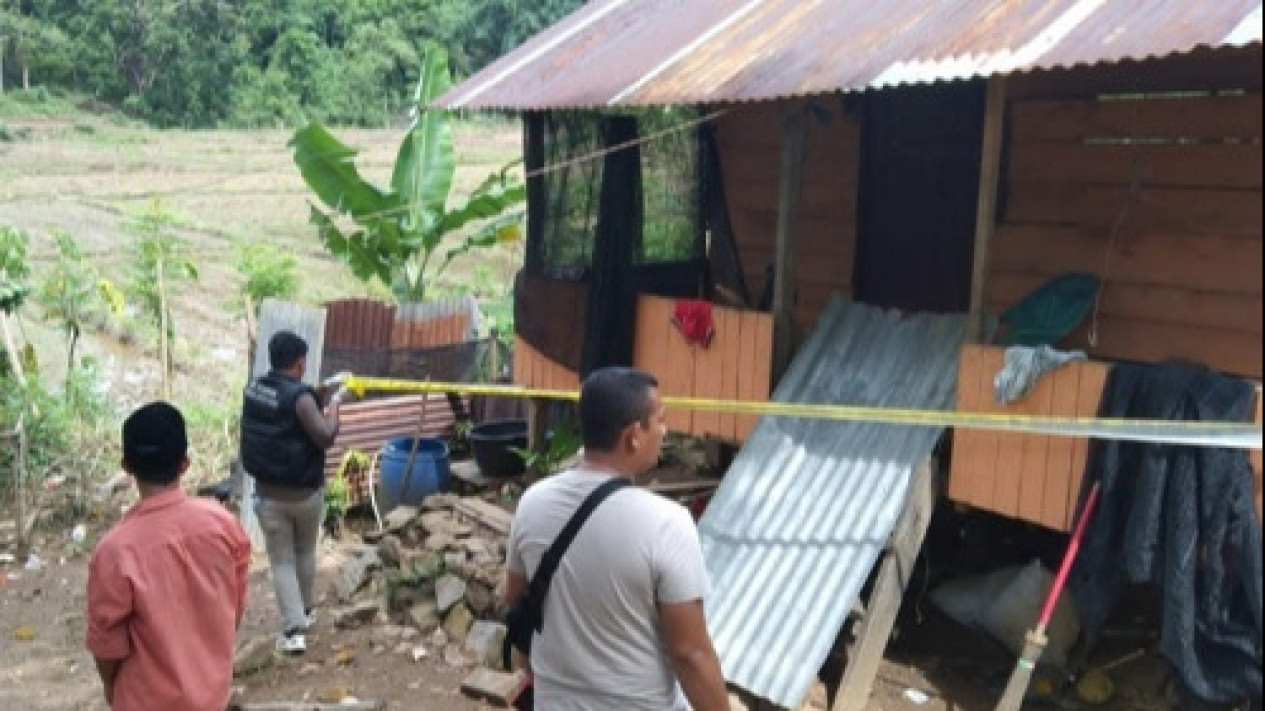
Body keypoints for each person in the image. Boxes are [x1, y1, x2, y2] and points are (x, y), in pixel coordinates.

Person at [503, 367, 730, 711]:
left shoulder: (532, 503)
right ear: (633, 436)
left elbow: (514, 599)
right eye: (660, 419)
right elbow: (690, 654)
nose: (665, 430)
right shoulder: (667, 524)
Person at [86, 402, 250, 711]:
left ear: (126, 466)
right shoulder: (225, 526)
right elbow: (234, 609)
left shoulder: (114, 551)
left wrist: (111, 687)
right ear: (185, 463)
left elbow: (107, 646)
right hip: (212, 698)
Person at [240, 330, 340, 653]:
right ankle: (306, 612)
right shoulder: (301, 398)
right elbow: (325, 436)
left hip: (268, 495)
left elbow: (283, 410)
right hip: (304, 494)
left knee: (281, 560)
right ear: (299, 363)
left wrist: (313, 397)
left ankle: (293, 631)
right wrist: (334, 408)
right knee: (305, 552)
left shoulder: (254, 389)